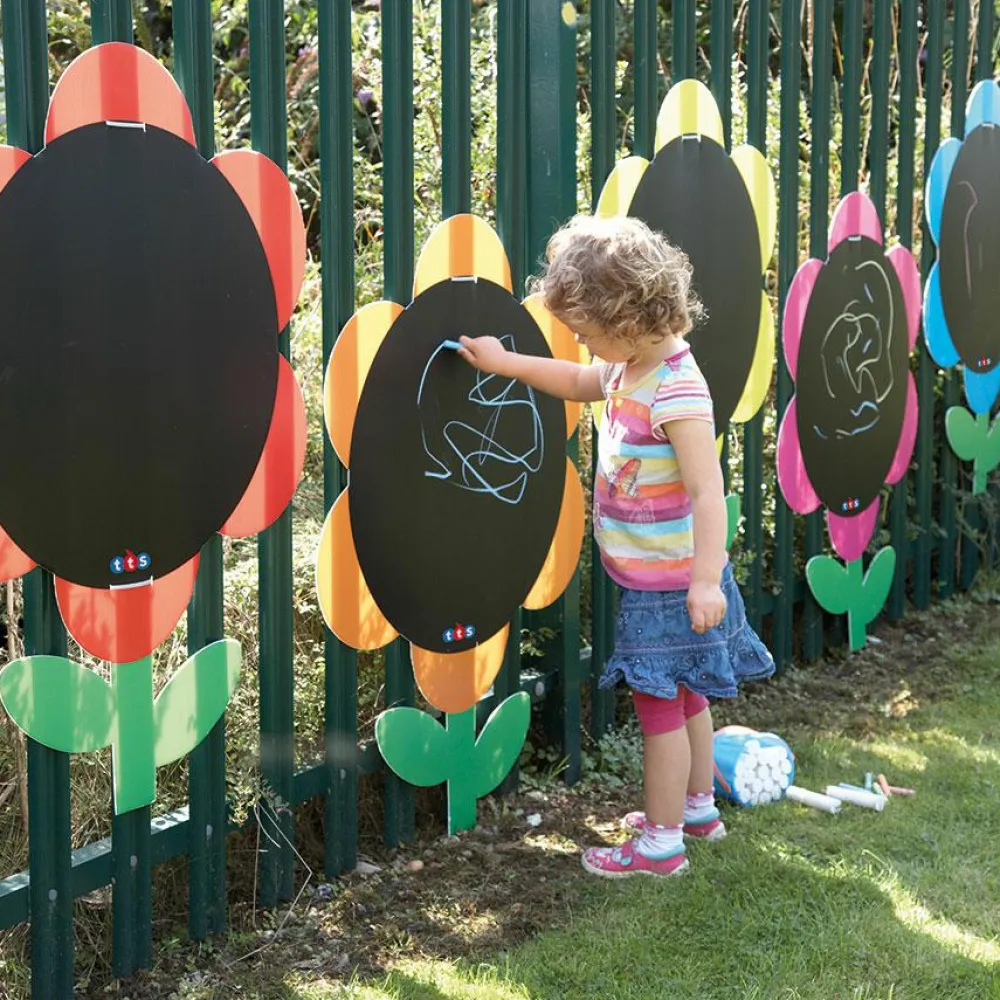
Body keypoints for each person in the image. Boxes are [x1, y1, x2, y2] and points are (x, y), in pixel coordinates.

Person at [457, 214, 774, 878]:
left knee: (660, 712)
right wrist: (504, 362)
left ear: (627, 318)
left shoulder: (676, 388)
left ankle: (660, 845)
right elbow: (577, 382)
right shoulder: (628, 367)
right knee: (687, 697)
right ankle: (696, 810)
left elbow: (708, 492)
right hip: (661, 578)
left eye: (587, 331)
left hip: (673, 586)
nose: (581, 342)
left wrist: (705, 581)